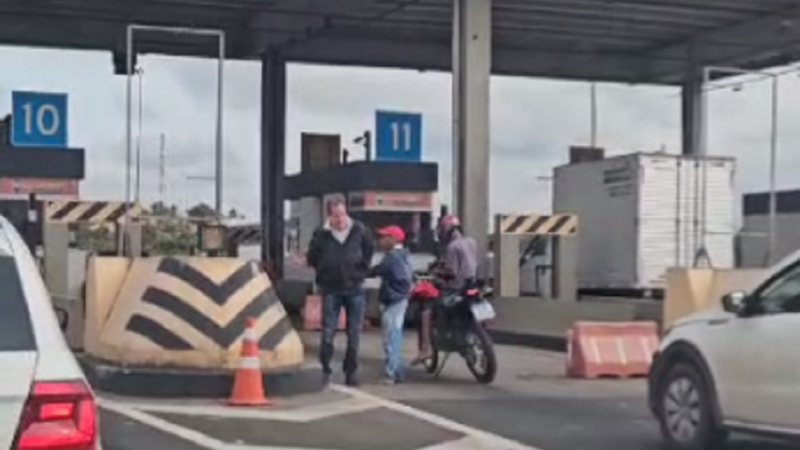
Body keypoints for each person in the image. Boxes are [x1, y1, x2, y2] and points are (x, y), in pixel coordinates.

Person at [307, 199, 374, 386]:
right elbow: (312, 257)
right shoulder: (321, 234)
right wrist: (323, 270)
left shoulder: (359, 230)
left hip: (355, 288)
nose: (341, 220)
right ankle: (325, 370)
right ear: (330, 216)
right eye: (336, 216)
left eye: (343, 215)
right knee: (328, 331)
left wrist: (361, 271)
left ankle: (350, 372)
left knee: (354, 334)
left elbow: (368, 251)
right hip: (330, 289)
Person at [413, 214, 478, 364]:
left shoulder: (452, 246)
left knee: (426, 311)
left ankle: (426, 348)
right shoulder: (471, 242)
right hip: (472, 284)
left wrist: (435, 275)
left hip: (455, 289)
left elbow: (451, 272)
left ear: (445, 229)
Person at [369, 225, 413, 385]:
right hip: (399, 300)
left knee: (391, 337)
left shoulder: (393, 257)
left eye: (384, 237)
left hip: (394, 300)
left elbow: (401, 279)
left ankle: (392, 373)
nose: (380, 240)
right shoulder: (402, 255)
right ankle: (397, 371)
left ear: (394, 239)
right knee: (393, 336)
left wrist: (395, 294)